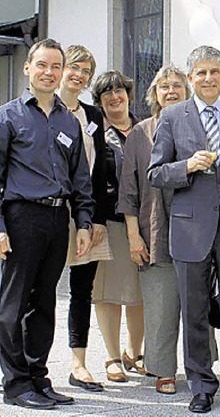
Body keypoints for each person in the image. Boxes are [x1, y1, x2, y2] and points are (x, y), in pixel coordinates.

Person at [148, 45, 220, 414]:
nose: (208, 78)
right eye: (200, 72)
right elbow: (155, 173)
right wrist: (186, 166)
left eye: (215, 71)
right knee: (195, 311)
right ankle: (201, 384)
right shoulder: (172, 117)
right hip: (190, 228)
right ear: (190, 77)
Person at [0, 38, 93, 409]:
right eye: (42, 65)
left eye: (56, 66)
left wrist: (84, 222)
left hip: (58, 219)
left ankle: (38, 378)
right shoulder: (8, 117)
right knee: (12, 305)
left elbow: (81, 179)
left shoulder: (69, 121)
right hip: (21, 216)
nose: (49, 72)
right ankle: (16, 383)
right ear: (28, 68)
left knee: (45, 305)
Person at [118, 65, 191, 395]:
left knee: (196, 305)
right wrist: (134, 235)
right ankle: (163, 371)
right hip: (154, 231)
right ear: (155, 94)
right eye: (165, 86)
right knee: (161, 306)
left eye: (177, 85)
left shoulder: (200, 129)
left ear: (187, 92)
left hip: (196, 232)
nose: (171, 91)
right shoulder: (140, 133)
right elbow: (128, 190)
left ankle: (199, 367)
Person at [58, 45, 110, 392]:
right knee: (35, 291)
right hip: (47, 212)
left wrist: (99, 219)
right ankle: (20, 367)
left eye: (86, 70)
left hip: (85, 213)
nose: (80, 75)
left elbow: (101, 167)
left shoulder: (93, 115)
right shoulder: (41, 109)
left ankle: (78, 364)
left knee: (82, 290)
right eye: (74, 67)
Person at [91, 70, 145, 383]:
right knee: (108, 292)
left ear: (128, 94)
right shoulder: (96, 132)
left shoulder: (146, 128)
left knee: (139, 292)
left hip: (143, 221)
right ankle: (112, 356)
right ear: (99, 101)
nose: (115, 97)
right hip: (109, 221)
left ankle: (133, 353)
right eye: (106, 93)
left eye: (119, 90)